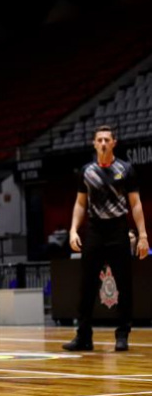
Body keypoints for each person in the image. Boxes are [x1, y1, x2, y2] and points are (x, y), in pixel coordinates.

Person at [63, 125, 149, 352]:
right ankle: (84, 336)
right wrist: (73, 230)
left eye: (107, 140)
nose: (103, 143)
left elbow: (135, 204)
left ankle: (122, 335)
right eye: (99, 139)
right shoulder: (86, 171)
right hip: (94, 230)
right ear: (94, 143)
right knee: (87, 286)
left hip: (118, 230)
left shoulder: (125, 169)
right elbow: (80, 203)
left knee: (124, 285)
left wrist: (143, 236)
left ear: (114, 143)